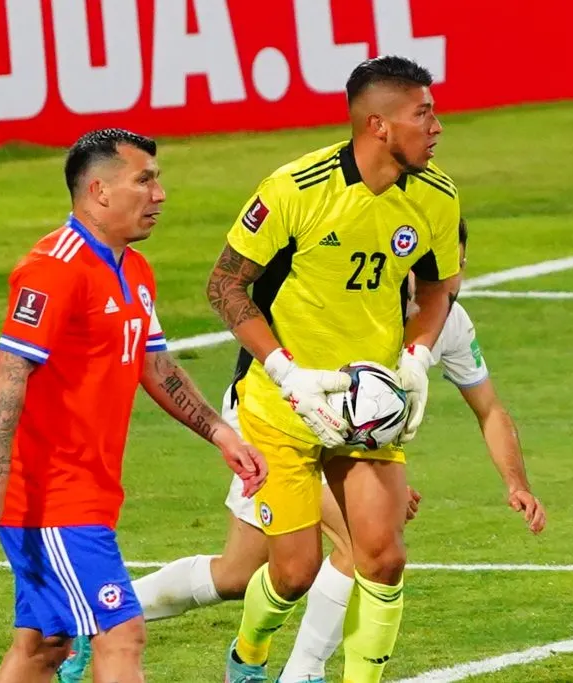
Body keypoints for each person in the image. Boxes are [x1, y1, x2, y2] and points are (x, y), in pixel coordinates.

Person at [56, 218, 547, 683]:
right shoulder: (349, 306)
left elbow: (490, 409)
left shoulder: (450, 320)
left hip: (344, 439)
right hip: (274, 417)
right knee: (360, 547)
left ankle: (97, 613)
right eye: (436, 268)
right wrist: (366, 485)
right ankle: (300, 670)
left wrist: (516, 482)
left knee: (237, 574)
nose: (449, 280)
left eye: (455, 267)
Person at [0, 128, 267, 683]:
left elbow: (155, 365)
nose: (159, 194)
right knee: (122, 632)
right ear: (98, 190)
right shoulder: (54, 267)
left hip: (88, 491)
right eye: (144, 180)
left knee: (43, 646)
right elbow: (9, 367)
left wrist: (221, 433)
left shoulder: (134, 271)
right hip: (49, 496)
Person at [207, 55, 463, 683]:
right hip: (282, 403)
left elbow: (438, 285)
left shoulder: (436, 196)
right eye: (422, 114)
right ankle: (249, 656)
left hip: (367, 404)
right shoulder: (296, 189)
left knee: (383, 557)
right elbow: (224, 288)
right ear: (378, 125)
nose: (437, 127)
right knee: (292, 572)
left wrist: (418, 356)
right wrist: (287, 372)